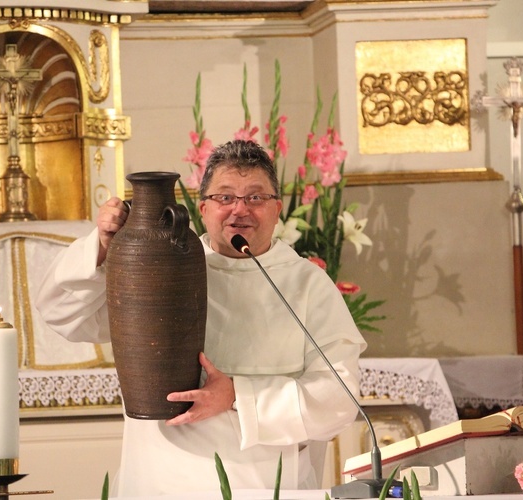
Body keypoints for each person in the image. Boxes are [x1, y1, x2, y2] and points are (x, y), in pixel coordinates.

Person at [35, 140, 367, 496]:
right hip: (161, 480)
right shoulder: (157, 267)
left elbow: (338, 398)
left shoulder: (307, 284)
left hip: (264, 483)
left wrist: (238, 395)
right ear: (202, 207)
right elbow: (60, 313)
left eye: (255, 197)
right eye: (225, 197)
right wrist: (100, 247)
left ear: (277, 208)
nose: (240, 210)